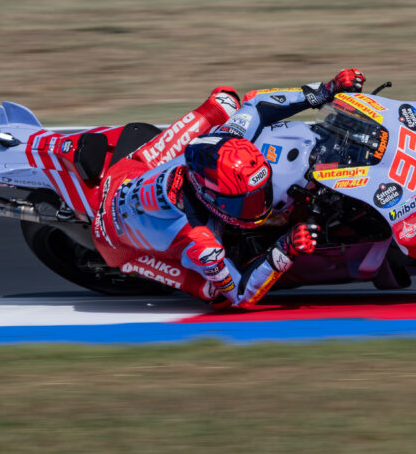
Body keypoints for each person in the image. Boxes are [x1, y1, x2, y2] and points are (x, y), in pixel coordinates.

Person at [91, 69, 366, 307]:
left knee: (225, 100)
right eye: (244, 202)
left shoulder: (226, 137)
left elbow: (257, 103)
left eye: (259, 193)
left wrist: (326, 90)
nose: (260, 205)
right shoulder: (202, 241)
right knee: (216, 294)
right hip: (114, 240)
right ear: (211, 197)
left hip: (131, 170)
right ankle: (130, 262)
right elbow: (241, 294)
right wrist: (285, 248)